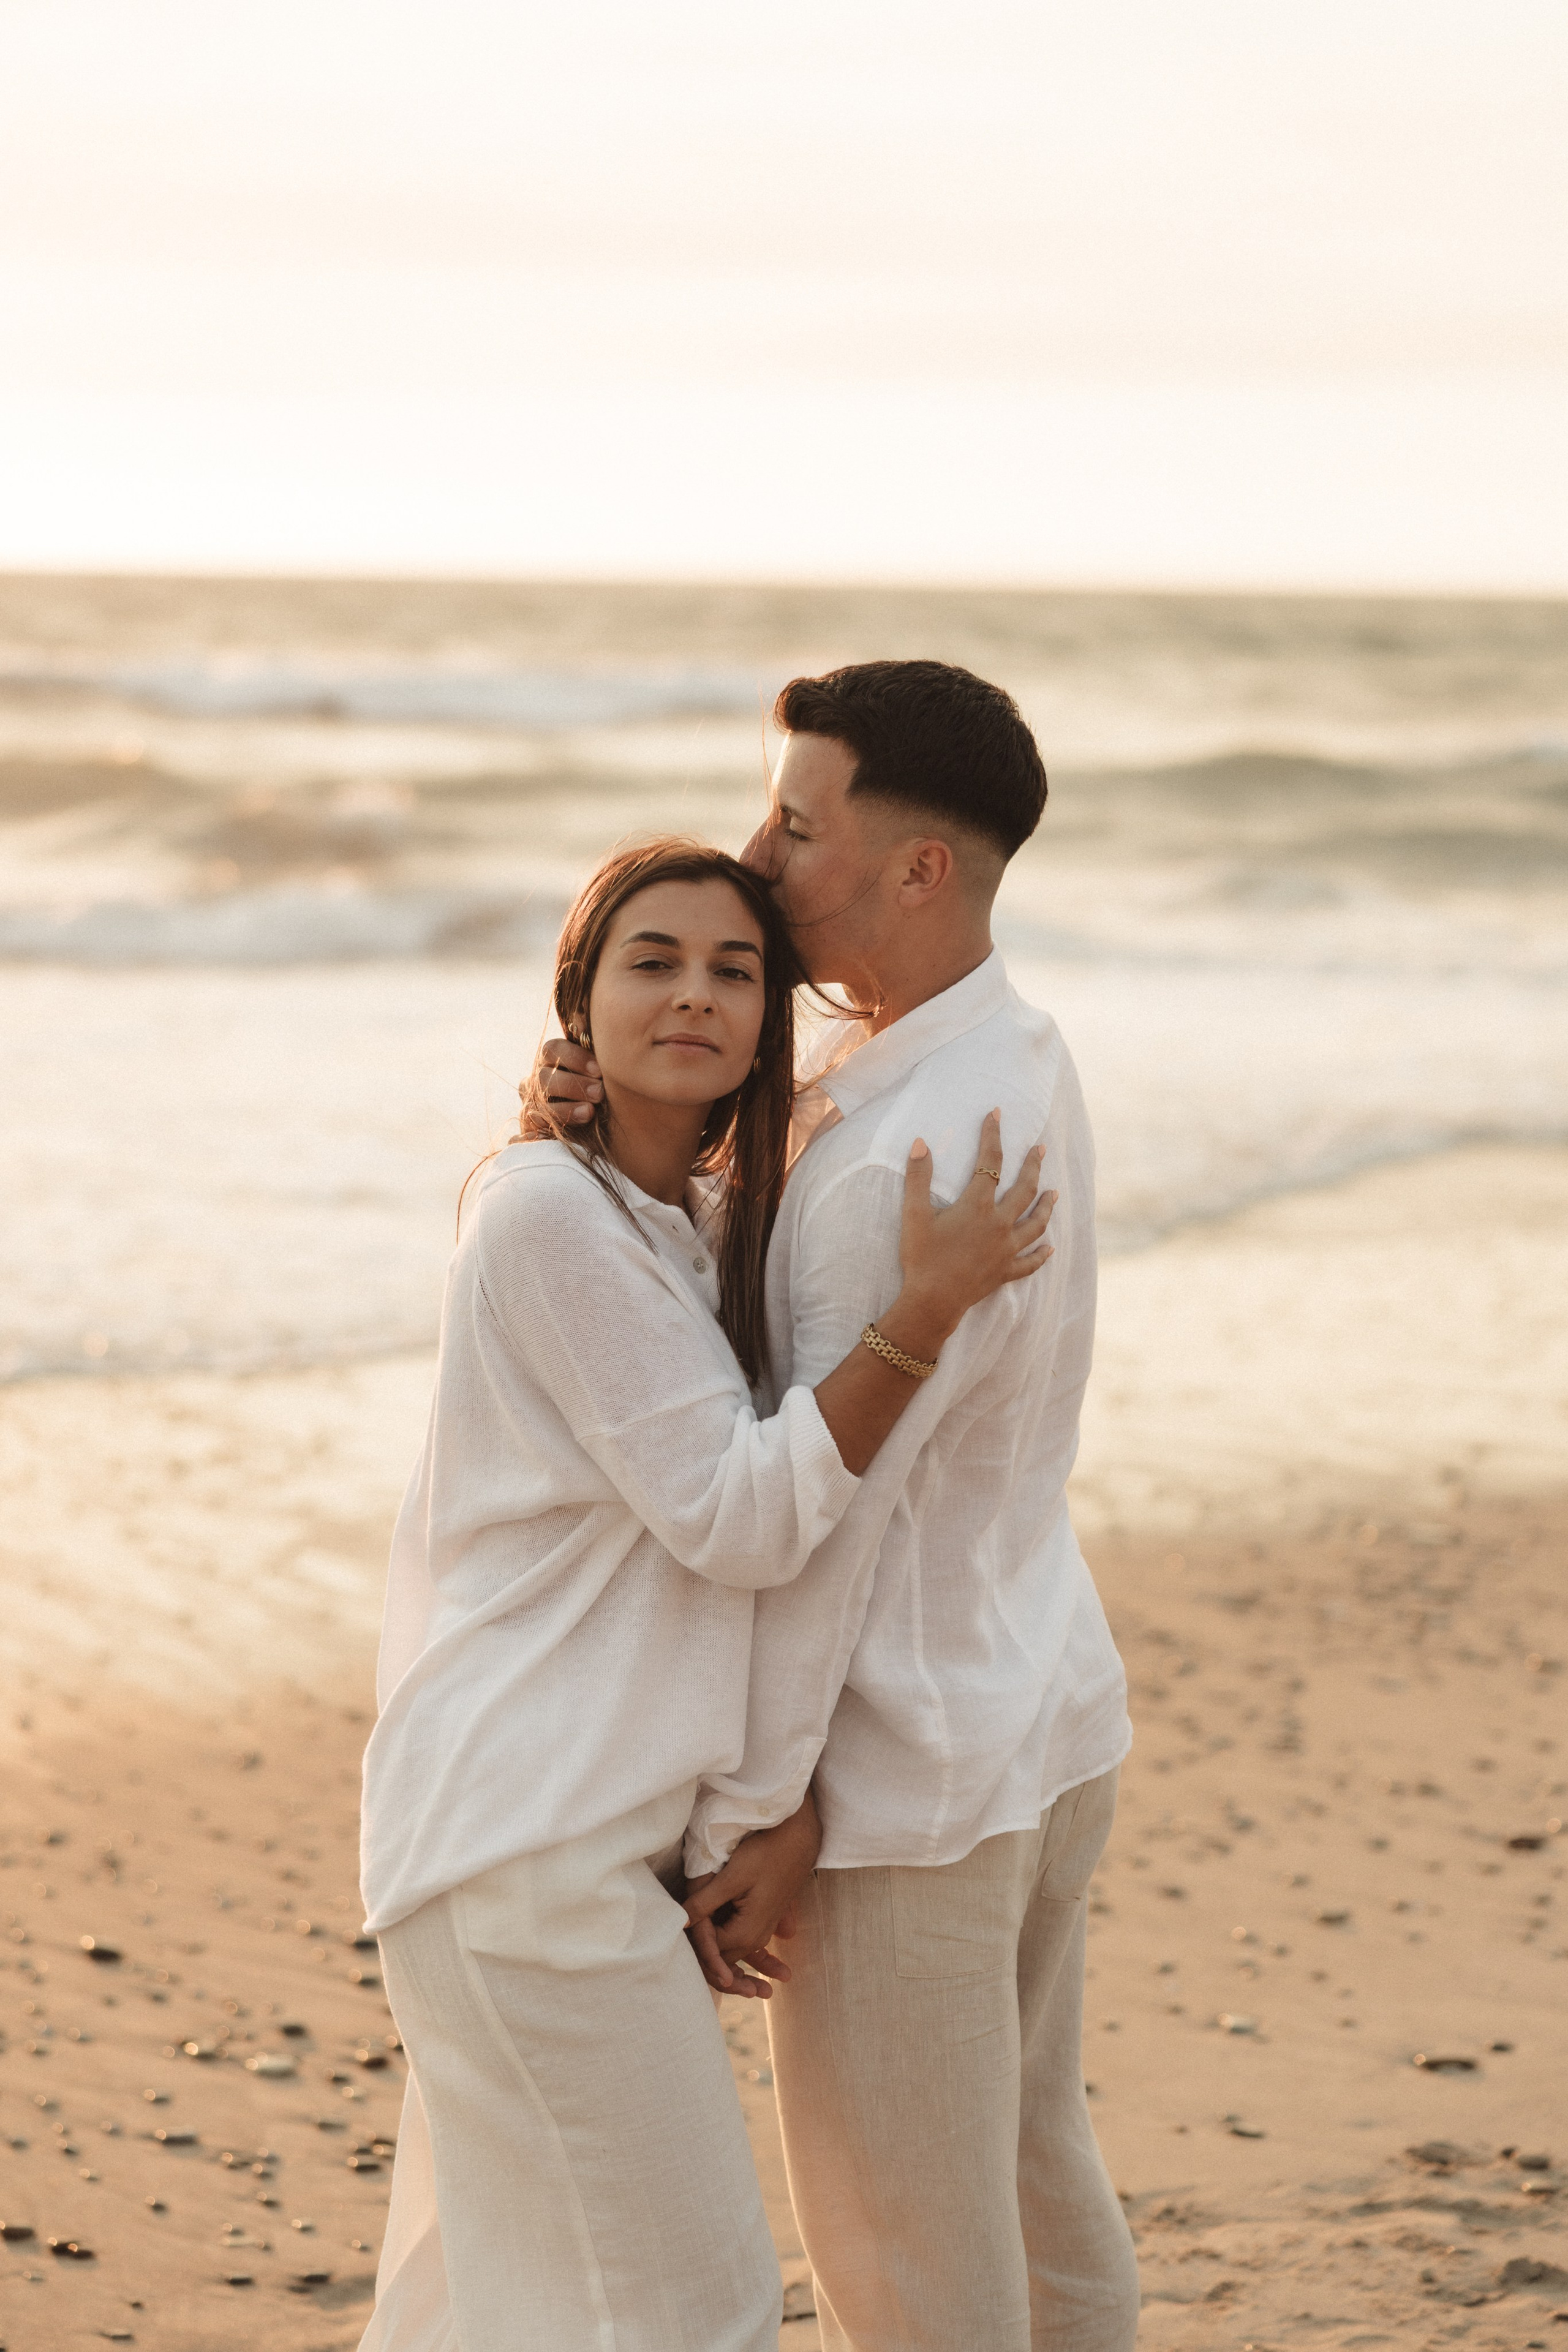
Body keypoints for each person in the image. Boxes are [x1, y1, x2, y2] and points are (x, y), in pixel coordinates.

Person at [358, 837, 1057, 2352]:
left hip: (574, 1843)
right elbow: (744, 1522)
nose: (695, 995)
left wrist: (761, 1797)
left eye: (735, 970)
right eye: (651, 962)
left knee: (501, 2304)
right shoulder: (545, 1217)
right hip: (520, 1845)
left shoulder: (688, 1226)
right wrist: (921, 1310)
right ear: (579, 1005)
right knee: (691, 2313)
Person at [537, 664, 1140, 2352]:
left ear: (917, 868)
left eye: (799, 826)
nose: (759, 851)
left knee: (908, 2266)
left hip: (911, 1784)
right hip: (1039, 1707)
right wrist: (620, 1128)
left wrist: (774, 1809)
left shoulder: (898, 1158)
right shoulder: (1004, 1051)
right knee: (1033, 2170)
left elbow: (819, 1520)